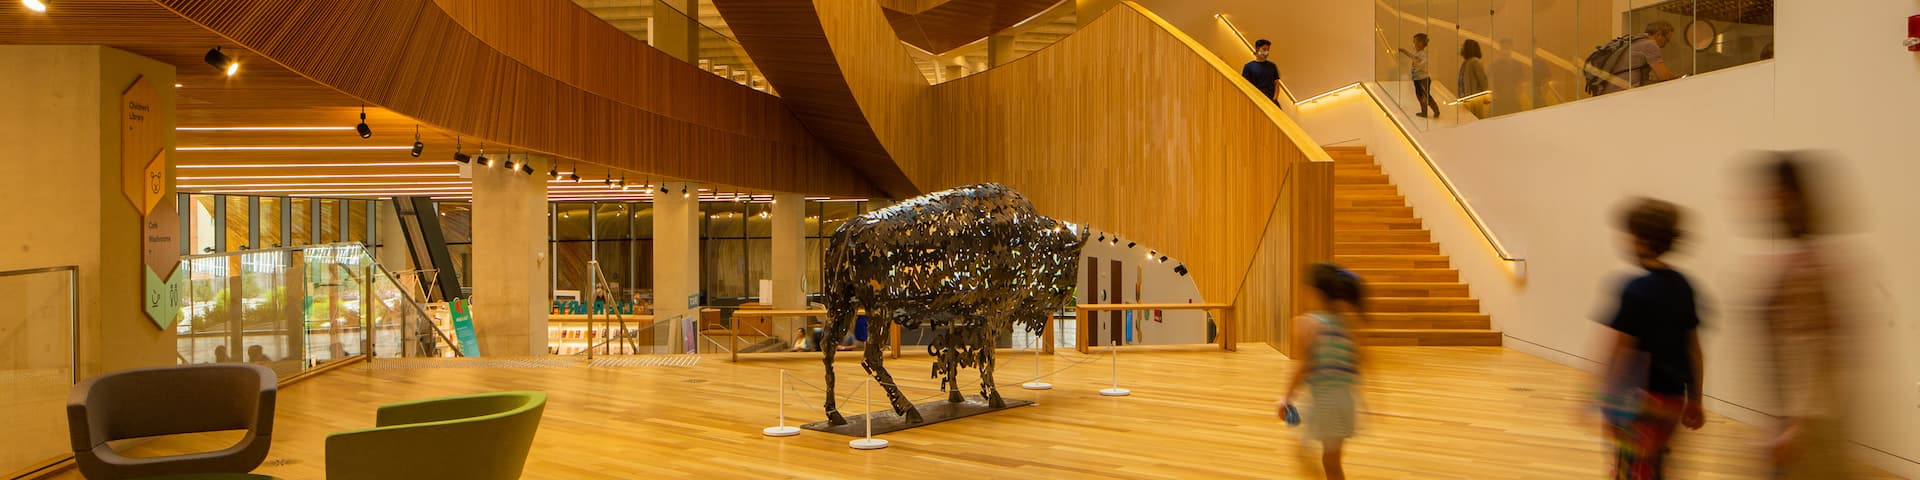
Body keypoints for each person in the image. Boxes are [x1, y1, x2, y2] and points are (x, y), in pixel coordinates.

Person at [1754, 153, 1851, 478]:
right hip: (1799, 424)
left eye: (1776, 195)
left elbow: (1818, 351)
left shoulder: (1809, 269)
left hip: (1809, 431)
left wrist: (1798, 426)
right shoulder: (1804, 263)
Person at [1597, 198, 1705, 479]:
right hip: (1672, 401)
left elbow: (1620, 351)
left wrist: (1605, 399)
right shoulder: (1684, 287)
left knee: (1634, 469)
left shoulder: (1635, 289)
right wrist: (1696, 399)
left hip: (1639, 402)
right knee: (1656, 465)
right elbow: (1694, 349)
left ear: (1642, 241)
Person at [1280, 263, 1366, 480]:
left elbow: (1302, 366)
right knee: (1331, 461)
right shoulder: (1347, 324)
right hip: (1346, 401)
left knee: (1308, 457)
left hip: (1324, 403)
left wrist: (1286, 399)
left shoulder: (1306, 324)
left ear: (1316, 293)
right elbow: (1357, 362)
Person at [1605, 21, 1681, 94]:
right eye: (1666, 40)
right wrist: (1682, 80)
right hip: (1624, 91)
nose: (1665, 44)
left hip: (1612, 91)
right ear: (1659, 34)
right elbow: (1663, 75)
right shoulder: (1650, 44)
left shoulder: (1634, 42)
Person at [1397, 33, 1439, 118]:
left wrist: (1416, 68)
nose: (1414, 44)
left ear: (1421, 43)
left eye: (1415, 42)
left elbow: (1423, 63)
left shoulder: (1423, 54)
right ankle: (1425, 111)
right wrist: (1404, 51)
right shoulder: (1418, 53)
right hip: (1418, 79)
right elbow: (1412, 56)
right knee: (1420, 96)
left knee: (1425, 96)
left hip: (1422, 79)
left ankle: (1435, 110)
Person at [1240, 39, 1282, 105]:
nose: (1267, 52)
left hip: (1271, 101)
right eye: (1264, 49)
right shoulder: (1248, 67)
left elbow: (1276, 84)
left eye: (1268, 49)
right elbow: (1245, 86)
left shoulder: (1272, 66)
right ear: (1257, 49)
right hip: (1256, 101)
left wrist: (1275, 99)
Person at [1457, 39, 1490, 118]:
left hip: (1474, 99)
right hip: (1467, 99)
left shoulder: (1475, 62)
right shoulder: (1466, 62)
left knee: (1475, 120)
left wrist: (1486, 96)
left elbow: (1483, 80)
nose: (1461, 48)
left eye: (1463, 46)